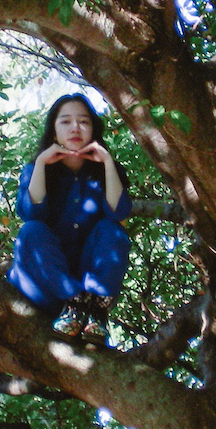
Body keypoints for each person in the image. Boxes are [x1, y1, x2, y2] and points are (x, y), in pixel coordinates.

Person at [7, 94, 131, 342]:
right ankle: (74, 302)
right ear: (53, 132)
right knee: (32, 230)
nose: (75, 128)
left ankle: (94, 310)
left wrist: (108, 162)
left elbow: (118, 213)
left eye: (84, 121)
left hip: (90, 289)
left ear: (93, 130)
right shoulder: (36, 170)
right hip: (47, 286)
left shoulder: (108, 171)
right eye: (65, 121)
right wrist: (41, 163)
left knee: (113, 230)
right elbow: (31, 214)